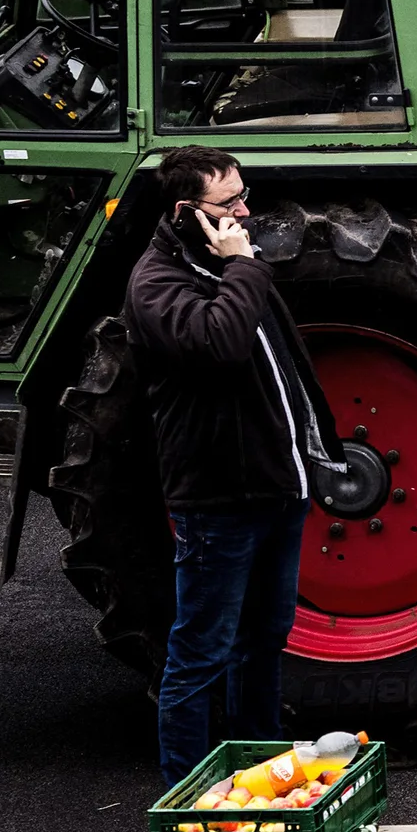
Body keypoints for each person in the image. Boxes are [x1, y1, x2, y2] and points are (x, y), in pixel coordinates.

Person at [123, 148, 342, 791]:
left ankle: (261, 777)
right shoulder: (157, 285)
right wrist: (244, 265)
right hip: (218, 501)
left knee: (264, 638)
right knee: (199, 655)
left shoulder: (222, 263)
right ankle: (189, 797)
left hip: (274, 489)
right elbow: (219, 343)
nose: (244, 213)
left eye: (243, 196)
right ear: (187, 212)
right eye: (229, 204)